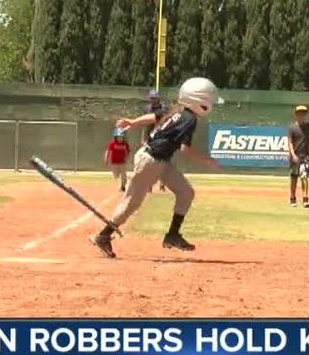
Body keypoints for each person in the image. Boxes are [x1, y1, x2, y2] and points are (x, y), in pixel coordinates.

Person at [90, 77, 220, 259]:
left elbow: (155, 116)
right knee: (131, 203)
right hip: (150, 161)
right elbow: (184, 149)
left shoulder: (178, 110)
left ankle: (172, 235)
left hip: (161, 161)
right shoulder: (189, 119)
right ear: (200, 100)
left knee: (186, 192)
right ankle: (103, 235)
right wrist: (207, 161)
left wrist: (133, 122)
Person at [287, 105, 309, 208]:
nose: (301, 115)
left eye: (303, 113)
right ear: (296, 115)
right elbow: (290, 143)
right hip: (295, 156)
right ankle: (292, 198)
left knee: (304, 177)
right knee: (294, 178)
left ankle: (305, 198)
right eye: (299, 113)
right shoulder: (292, 128)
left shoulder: (308, 128)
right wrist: (293, 155)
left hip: (305, 156)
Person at [140, 89, 168, 193]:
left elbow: (166, 122)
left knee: (163, 162)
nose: (153, 100)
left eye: (155, 98)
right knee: (148, 162)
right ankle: (149, 185)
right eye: (151, 98)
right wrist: (143, 139)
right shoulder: (147, 109)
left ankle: (162, 183)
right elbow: (145, 125)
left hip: (161, 136)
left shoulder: (164, 108)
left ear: (158, 98)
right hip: (149, 136)